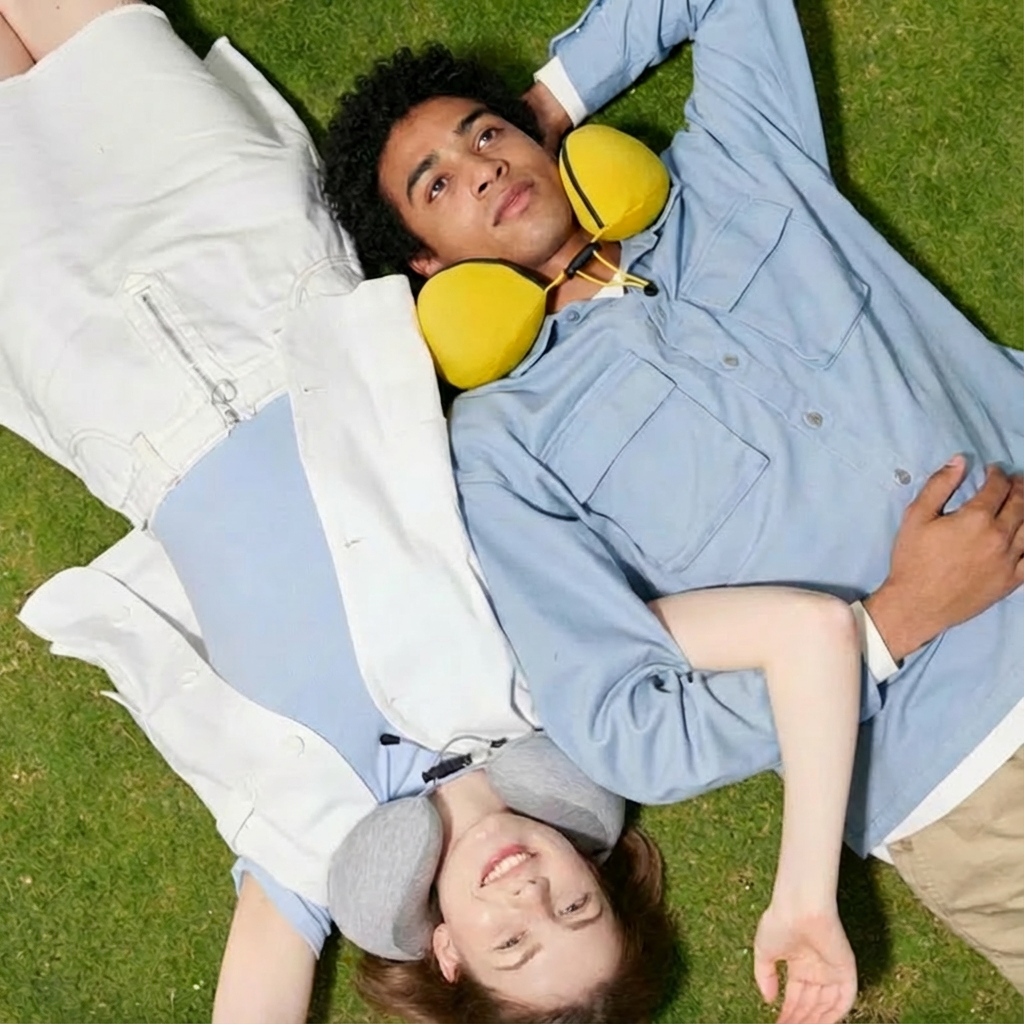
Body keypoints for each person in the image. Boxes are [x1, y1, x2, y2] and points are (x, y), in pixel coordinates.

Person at [0, 3, 898, 1022]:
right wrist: (802, 893)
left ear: (449, 955)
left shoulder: (315, 837)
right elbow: (802, 631)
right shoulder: (556, 679)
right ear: (598, 872)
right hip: (267, 276)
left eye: (514, 940)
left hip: (96, 377)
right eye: (576, 904)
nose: (529, 895)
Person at [322, 0, 1024, 998]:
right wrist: (891, 623)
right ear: (425, 265)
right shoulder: (503, 447)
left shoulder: (738, 166)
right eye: (436, 183)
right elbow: (623, 725)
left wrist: (549, 101)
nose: (480, 168)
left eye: (486, 135)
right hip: (968, 786)